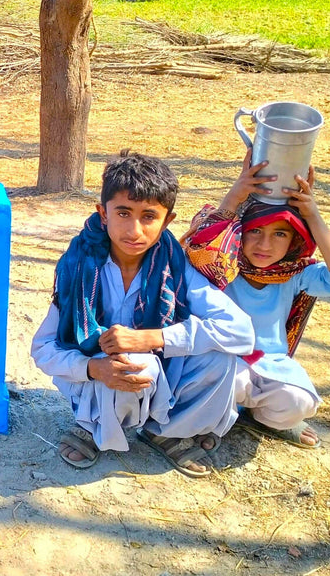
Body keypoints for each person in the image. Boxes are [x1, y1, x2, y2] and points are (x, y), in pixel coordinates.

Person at [31, 151, 255, 477]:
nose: (134, 230)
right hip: (94, 377)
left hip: (157, 371)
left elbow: (241, 332)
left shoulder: (175, 268)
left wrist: (153, 338)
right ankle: (92, 426)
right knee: (129, 361)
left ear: (167, 221)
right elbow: (42, 349)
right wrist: (92, 367)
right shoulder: (79, 267)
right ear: (103, 214)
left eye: (149, 216)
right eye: (123, 212)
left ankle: (166, 431)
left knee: (221, 359)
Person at [182, 152, 330, 448]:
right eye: (255, 231)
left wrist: (313, 214)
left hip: (269, 364)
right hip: (222, 360)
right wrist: (235, 196)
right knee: (229, 381)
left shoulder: (292, 273)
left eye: (279, 234)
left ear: (294, 240)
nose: (265, 244)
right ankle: (214, 417)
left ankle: (253, 415)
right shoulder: (223, 263)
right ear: (240, 233)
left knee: (299, 402)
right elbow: (196, 248)